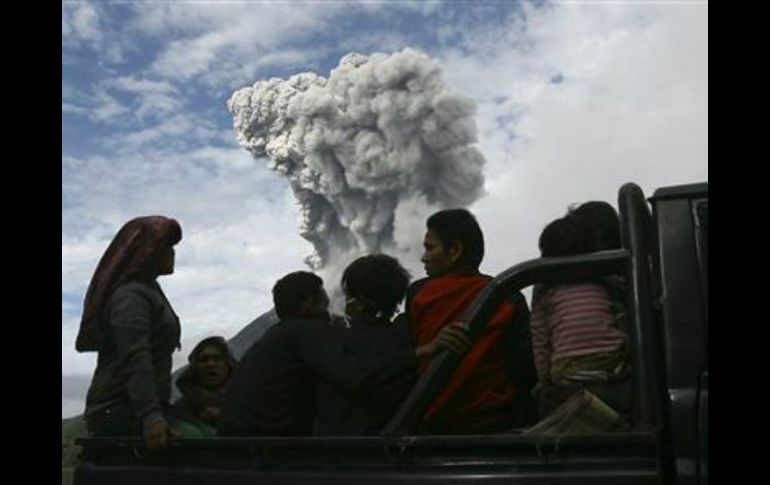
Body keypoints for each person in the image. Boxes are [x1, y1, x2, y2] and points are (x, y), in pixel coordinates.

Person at [218, 271, 467, 437]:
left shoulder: (281, 336)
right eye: (324, 295)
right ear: (309, 303)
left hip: (245, 446)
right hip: (265, 448)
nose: (331, 301)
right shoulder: (304, 332)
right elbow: (355, 375)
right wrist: (423, 351)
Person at [406, 209, 537, 434]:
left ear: (454, 250)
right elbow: (523, 368)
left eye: (430, 248)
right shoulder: (507, 295)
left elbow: (405, 358)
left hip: (429, 426)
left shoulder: (421, 294)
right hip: (495, 425)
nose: (423, 258)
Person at [76, 215, 183, 450]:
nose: (173, 253)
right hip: (116, 408)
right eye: (167, 246)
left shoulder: (151, 292)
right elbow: (136, 357)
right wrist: (151, 416)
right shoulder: (130, 296)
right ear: (148, 250)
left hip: (139, 408)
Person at [530, 215, 631, 419]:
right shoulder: (607, 280)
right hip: (614, 372)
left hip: (568, 378)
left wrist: (542, 380)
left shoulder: (545, 291)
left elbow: (540, 340)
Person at [313, 254, 418, 435]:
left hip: (340, 451)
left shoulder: (337, 343)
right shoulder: (409, 337)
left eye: (348, 296)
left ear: (359, 303)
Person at [172, 336, 237, 437]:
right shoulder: (182, 408)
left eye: (217, 359)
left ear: (228, 365)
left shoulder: (245, 401)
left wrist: (224, 417)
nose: (210, 364)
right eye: (204, 360)